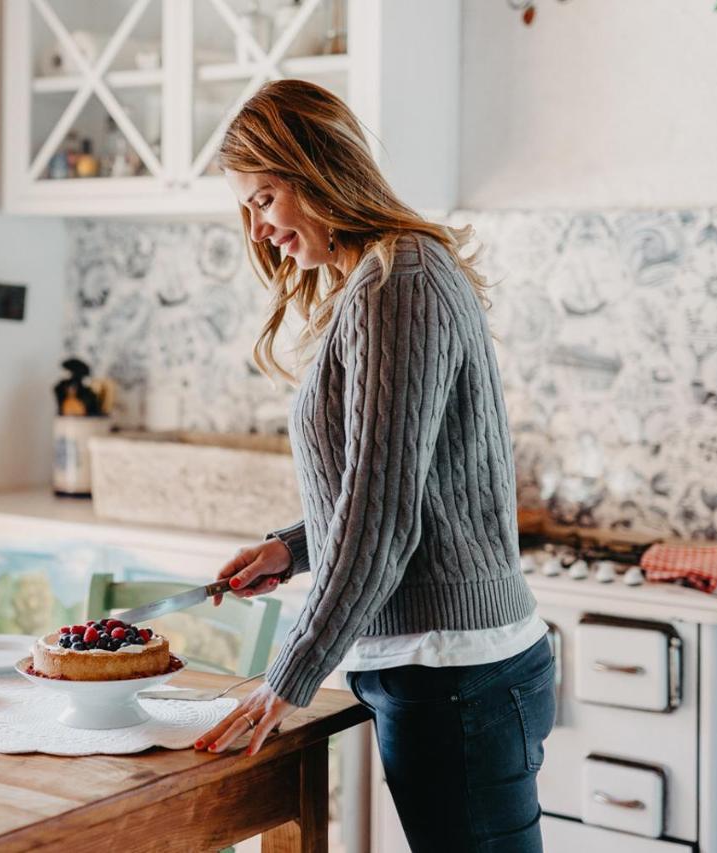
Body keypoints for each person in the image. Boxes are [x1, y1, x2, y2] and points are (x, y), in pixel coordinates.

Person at [193, 79, 556, 853]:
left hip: (453, 673)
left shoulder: (400, 280)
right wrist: (294, 547)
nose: (258, 231)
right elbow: (395, 480)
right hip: (446, 669)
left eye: (264, 198)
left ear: (316, 167)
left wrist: (286, 677)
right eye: (247, 209)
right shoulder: (383, 278)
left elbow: (383, 516)